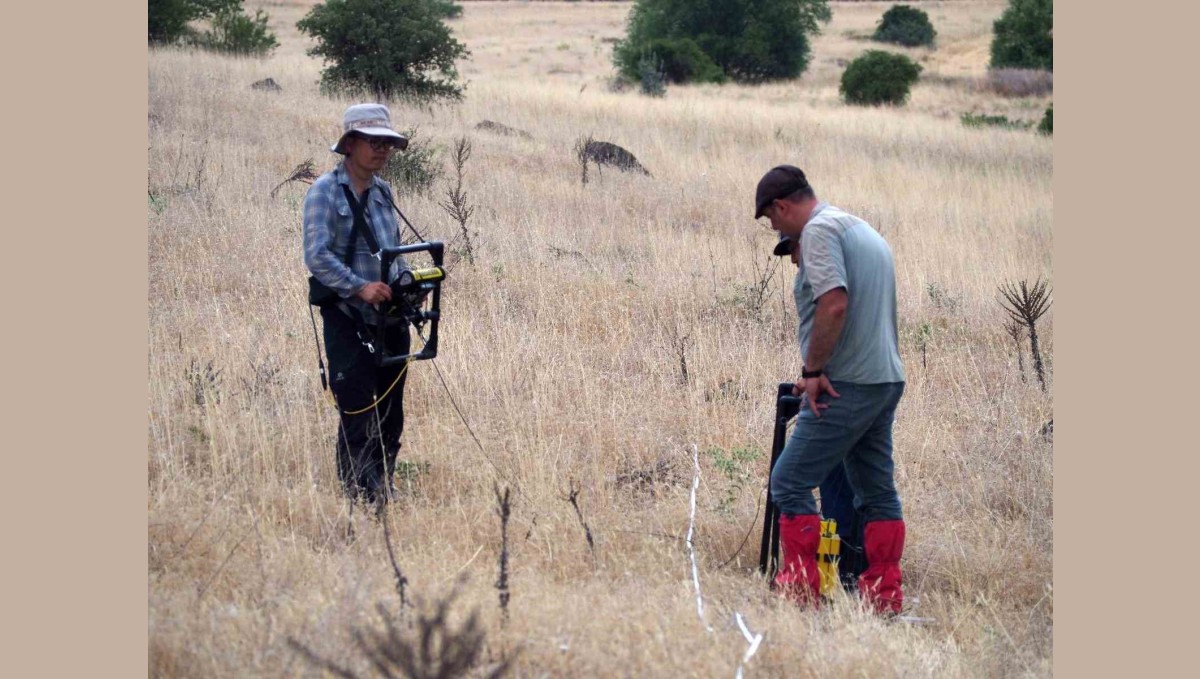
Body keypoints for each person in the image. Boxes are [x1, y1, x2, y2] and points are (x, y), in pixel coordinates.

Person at [755, 165, 907, 614]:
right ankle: (882, 597)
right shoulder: (858, 227)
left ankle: (801, 594)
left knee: (788, 481)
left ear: (782, 206)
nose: (775, 229)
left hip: (849, 385)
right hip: (884, 379)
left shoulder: (818, 232)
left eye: (771, 219)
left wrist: (814, 368)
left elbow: (834, 303)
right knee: (876, 492)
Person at [304, 103, 412, 506]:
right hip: (347, 316)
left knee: (391, 409)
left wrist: (406, 283)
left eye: (387, 143)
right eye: (373, 141)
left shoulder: (384, 191)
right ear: (349, 144)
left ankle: (382, 487)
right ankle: (357, 494)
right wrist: (360, 287)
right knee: (357, 406)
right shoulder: (323, 193)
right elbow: (316, 256)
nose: (382, 150)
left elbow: (393, 251)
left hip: (390, 317)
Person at [774, 233, 867, 592]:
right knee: (854, 483)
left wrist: (814, 378)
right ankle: (847, 570)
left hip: (844, 396)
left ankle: (822, 577)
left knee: (797, 481)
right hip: (849, 390)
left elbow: (841, 341)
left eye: (795, 250)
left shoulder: (835, 290)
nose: (794, 260)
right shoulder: (831, 283)